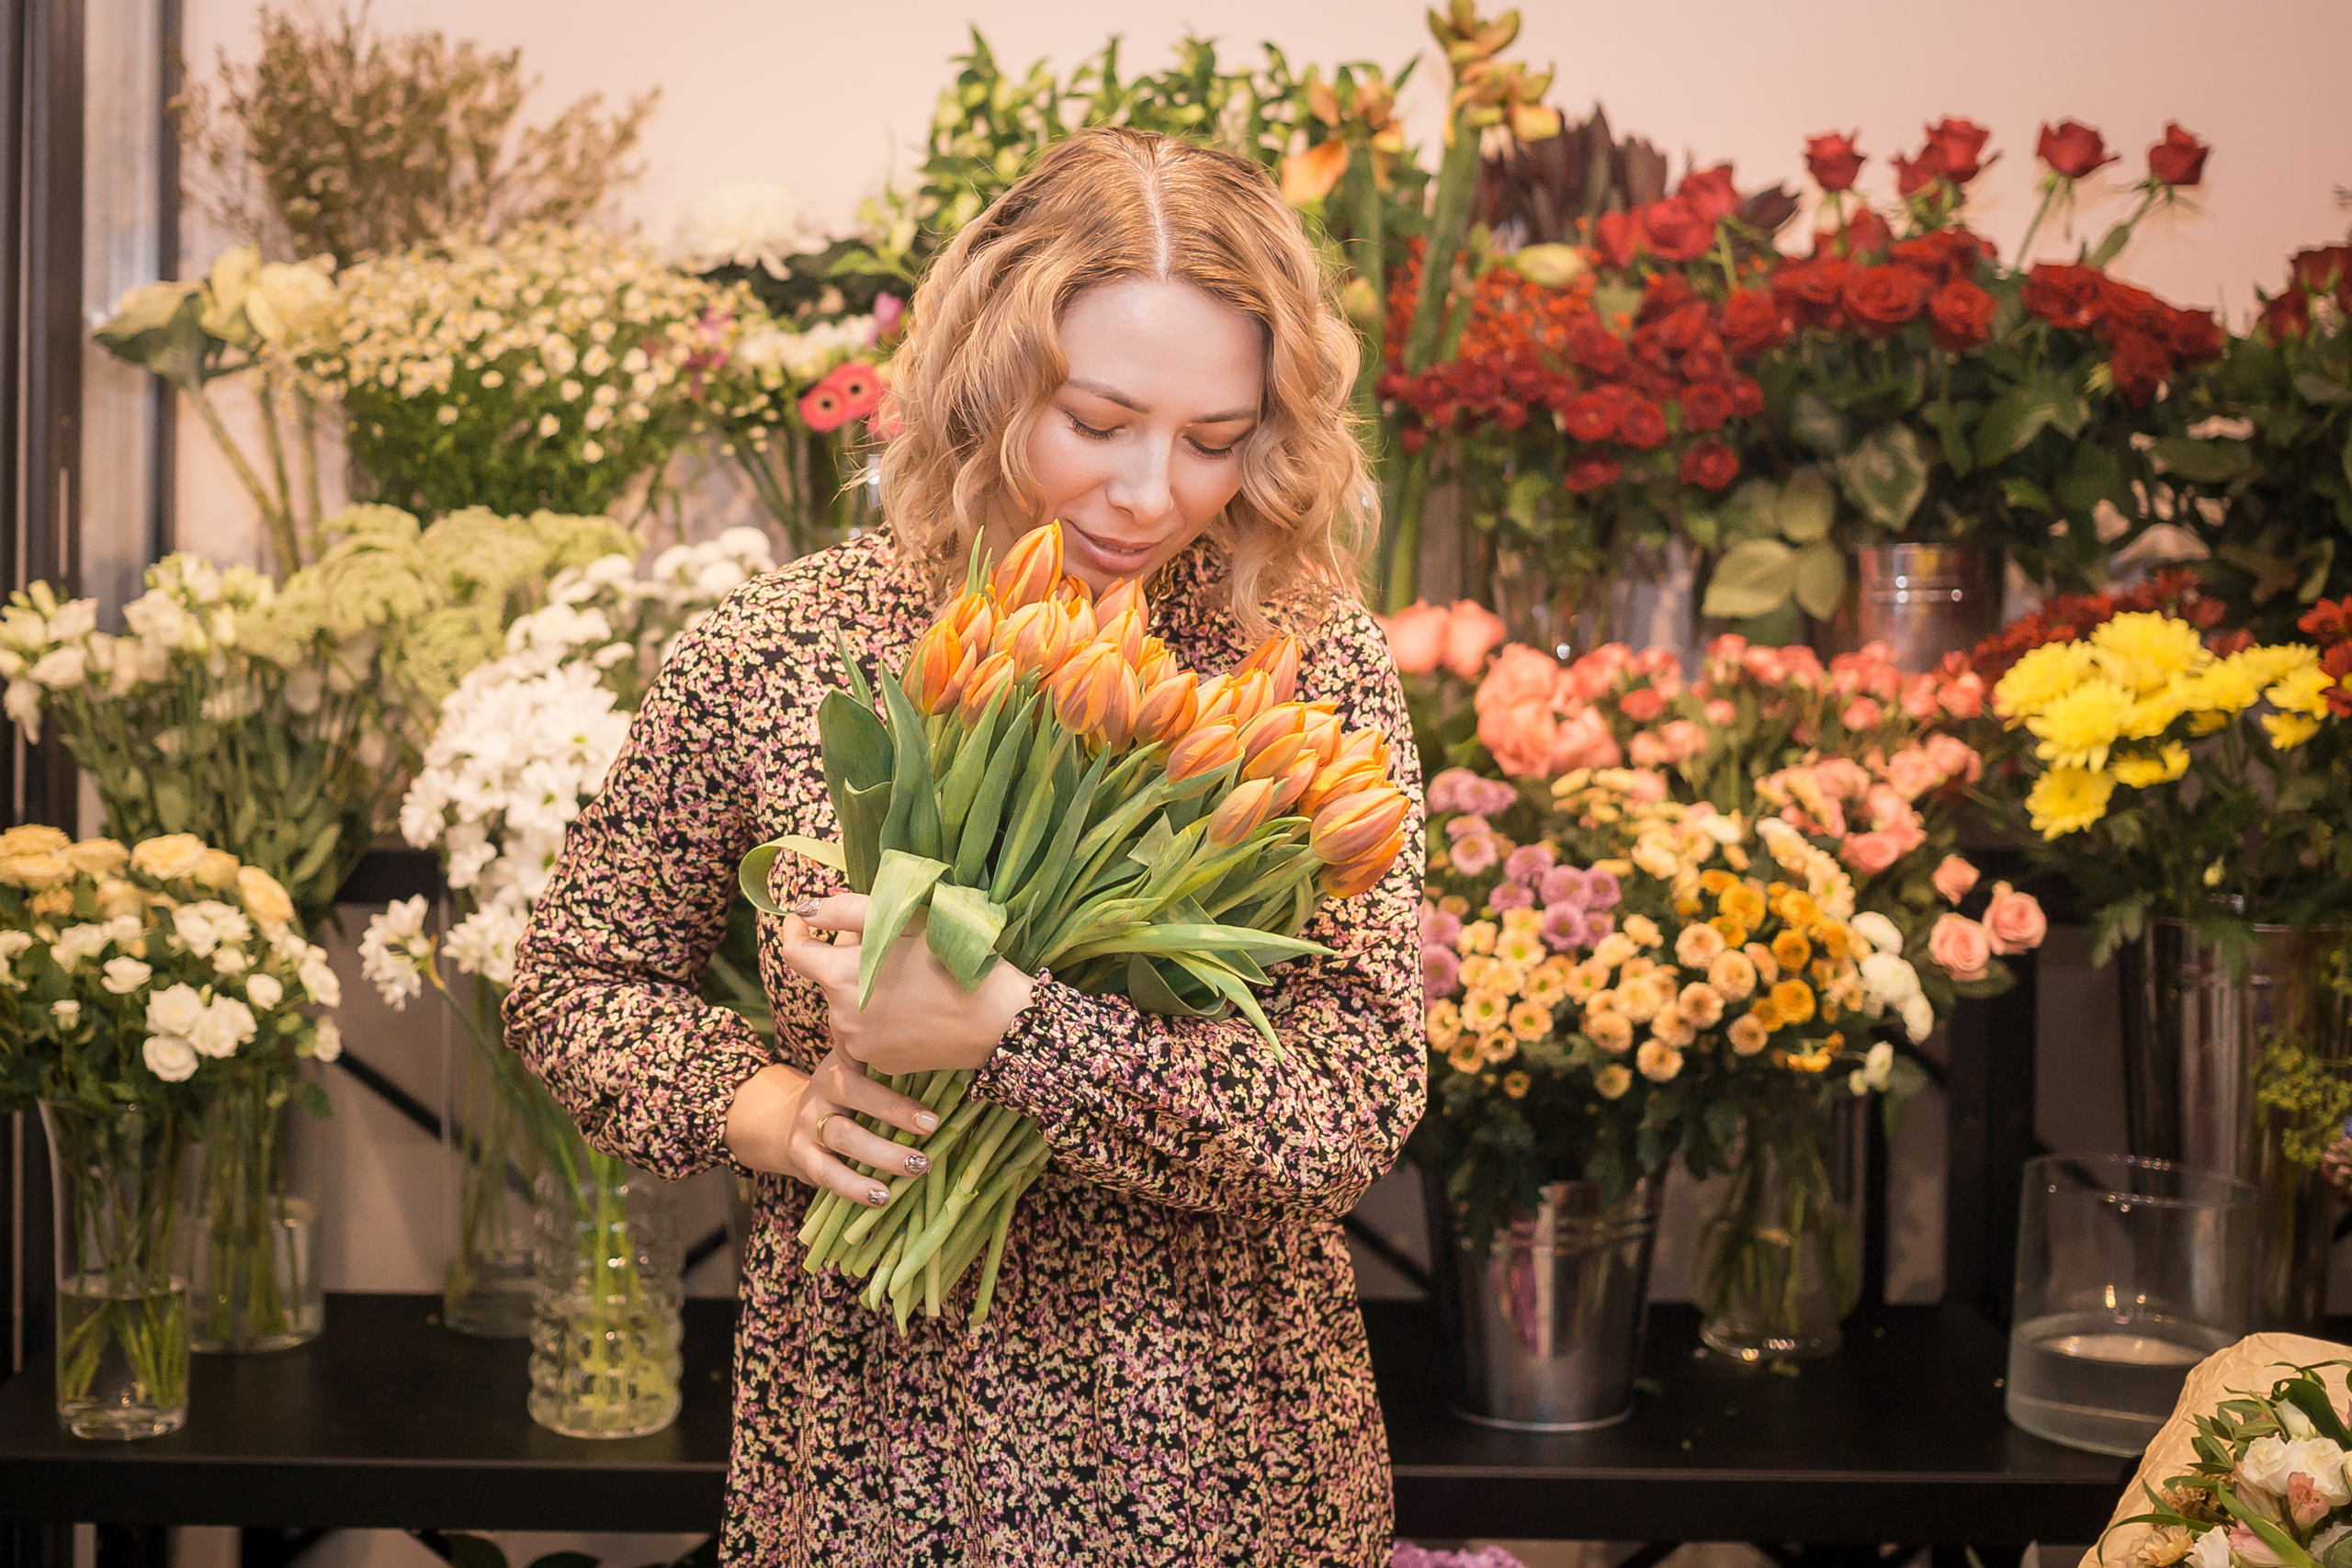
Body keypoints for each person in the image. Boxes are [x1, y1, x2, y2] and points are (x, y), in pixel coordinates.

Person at [505, 125, 1426, 1567]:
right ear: (986, 383)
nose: (1150, 491)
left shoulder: (1303, 667)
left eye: (1214, 439)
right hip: (874, 1465)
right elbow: (575, 983)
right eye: (1100, 419)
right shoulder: (777, 650)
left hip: (1227, 1467)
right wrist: (776, 1113)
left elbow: (1351, 1102)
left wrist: (1011, 1028)